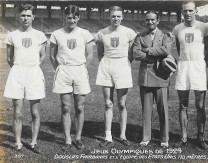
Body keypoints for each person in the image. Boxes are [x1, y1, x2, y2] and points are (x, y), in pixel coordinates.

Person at [49, 5, 94, 151]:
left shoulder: (85, 33)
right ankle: (67, 139)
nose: (71, 20)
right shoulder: (56, 34)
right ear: (64, 17)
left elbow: (90, 55)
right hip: (64, 71)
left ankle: (78, 138)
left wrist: (82, 67)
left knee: (79, 107)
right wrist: (60, 69)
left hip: (79, 70)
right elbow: (51, 56)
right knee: (65, 107)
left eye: (74, 17)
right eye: (69, 17)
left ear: (78, 18)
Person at [4, 4, 47, 153]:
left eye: (28, 15)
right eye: (23, 15)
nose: (25, 18)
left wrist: (34, 67)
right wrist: (19, 67)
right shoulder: (12, 35)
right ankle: (18, 143)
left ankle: (34, 142)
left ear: (33, 17)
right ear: (18, 17)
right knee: (17, 112)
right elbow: (9, 58)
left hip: (34, 73)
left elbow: (43, 55)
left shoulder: (39, 35)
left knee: (35, 112)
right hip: (17, 73)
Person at [172, 1, 208, 149]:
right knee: (183, 105)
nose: (187, 13)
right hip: (183, 66)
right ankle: (183, 137)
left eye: (190, 10)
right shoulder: (177, 29)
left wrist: (204, 66)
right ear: (182, 12)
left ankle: (200, 137)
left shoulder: (204, 27)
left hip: (199, 66)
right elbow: (178, 47)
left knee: (200, 105)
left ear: (196, 11)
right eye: (185, 11)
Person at [95, 6, 136, 147]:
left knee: (122, 104)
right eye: (113, 16)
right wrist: (108, 64)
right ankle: (108, 136)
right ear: (109, 17)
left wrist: (123, 64)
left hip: (123, 66)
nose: (116, 18)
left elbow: (131, 54)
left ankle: (123, 135)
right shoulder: (102, 33)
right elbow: (100, 53)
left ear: (122, 17)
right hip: (106, 66)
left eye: (118, 16)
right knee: (108, 103)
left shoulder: (129, 32)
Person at [133, 11, 174, 148]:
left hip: (162, 76)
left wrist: (148, 50)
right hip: (145, 77)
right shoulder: (139, 36)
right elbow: (136, 53)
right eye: (147, 20)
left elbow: (167, 50)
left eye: (152, 20)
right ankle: (146, 137)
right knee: (146, 109)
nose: (150, 22)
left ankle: (164, 138)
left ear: (158, 20)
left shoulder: (165, 35)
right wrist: (155, 53)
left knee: (163, 109)